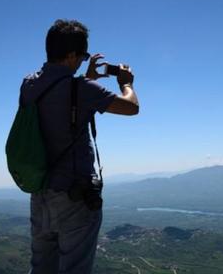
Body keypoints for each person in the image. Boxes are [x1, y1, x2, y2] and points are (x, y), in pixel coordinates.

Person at [21, 19, 139, 274]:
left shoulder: (29, 84)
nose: (83, 61)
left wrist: (85, 79)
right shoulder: (81, 89)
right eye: (83, 56)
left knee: (41, 268)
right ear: (72, 54)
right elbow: (131, 108)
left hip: (40, 194)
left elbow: (58, 109)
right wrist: (126, 83)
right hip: (74, 195)